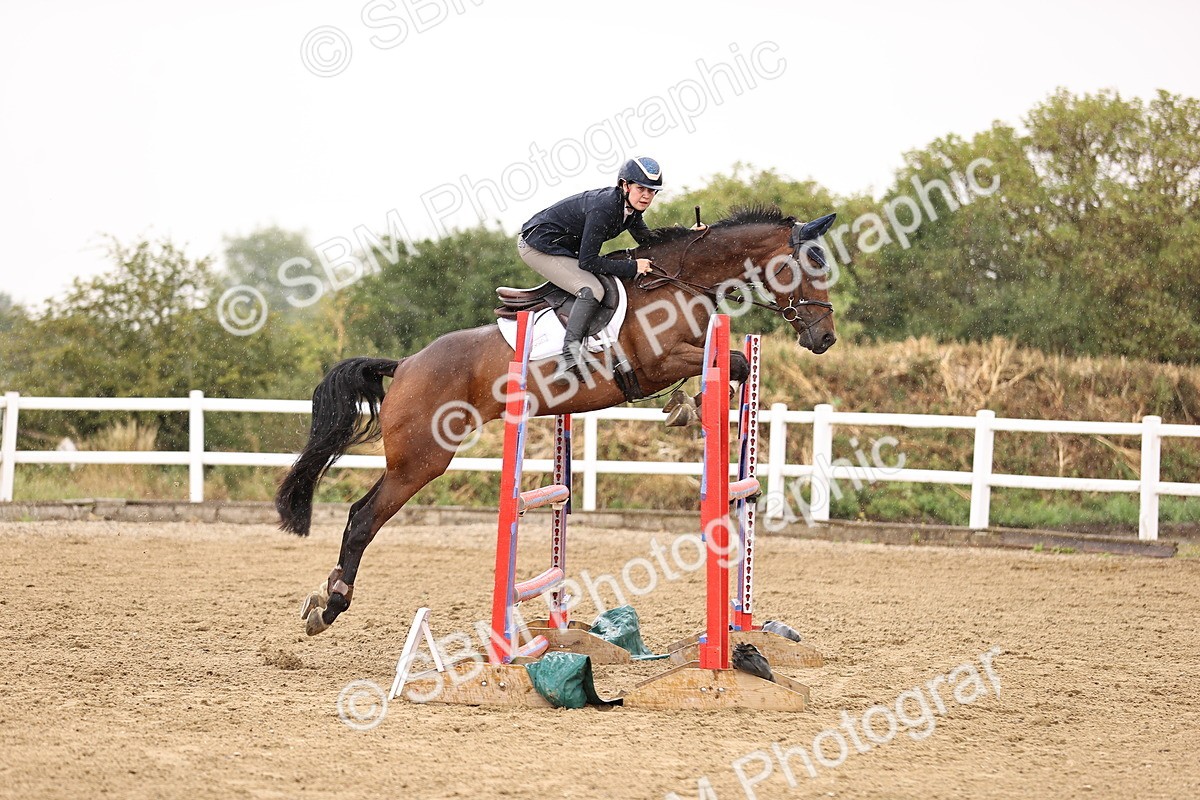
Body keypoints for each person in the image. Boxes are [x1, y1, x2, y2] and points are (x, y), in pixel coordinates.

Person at [516, 156, 665, 382]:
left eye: (652, 191)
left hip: (561, 247)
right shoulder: (605, 208)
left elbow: (650, 241)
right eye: (641, 188)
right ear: (625, 185)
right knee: (592, 289)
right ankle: (568, 360)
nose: (646, 196)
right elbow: (588, 262)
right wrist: (632, 267)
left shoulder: (630, 209)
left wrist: (688, 236)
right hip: (537, 246)